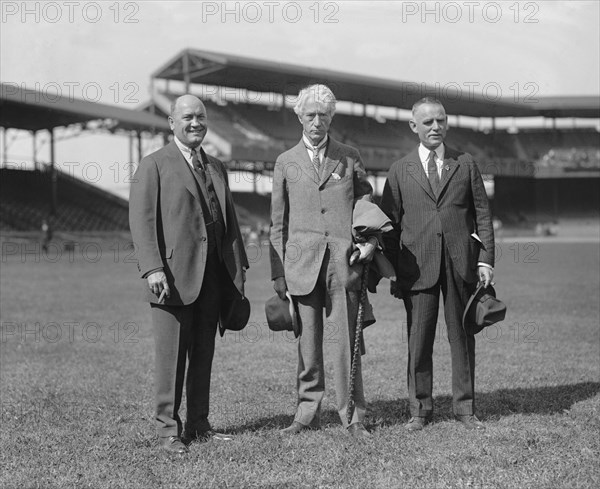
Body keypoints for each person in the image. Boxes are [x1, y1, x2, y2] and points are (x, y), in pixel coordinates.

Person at [129, 94, 249, 454]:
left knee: (203, 353)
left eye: (200, 116)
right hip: (172, 279)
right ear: (171, 122)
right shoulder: (154, 164)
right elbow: (141, 221)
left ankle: (199, 423)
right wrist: (152, 268)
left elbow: (229, 221)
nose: (195, 123)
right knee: (171, 357)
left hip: (213, 276)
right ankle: (168, 430)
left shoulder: (215, 165)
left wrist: (237, 268)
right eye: (187, 117)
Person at [379, 97, 495, 431]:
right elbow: (390, 225)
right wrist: (392, 270)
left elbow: (483, 214)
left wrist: (485, 259)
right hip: (416, 267)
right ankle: (419, 410)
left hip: (462, 263)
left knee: (462, 336)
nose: (436, 127)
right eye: (428, 122)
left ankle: (465, 408)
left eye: (441, 121)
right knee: (419, 340)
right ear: (413, 126)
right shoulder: (400, 170)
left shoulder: (466, 163)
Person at [269, 84, 377, 438]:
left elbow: (366, 205)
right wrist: (279, 279)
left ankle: (353, 416)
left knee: (347, 344)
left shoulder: (349, 156)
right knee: (308, 346)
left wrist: (369, 242)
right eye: (311, 114)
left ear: (332, 117)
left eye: (324, 115)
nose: (318, 121)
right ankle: (306, 413)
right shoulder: (285, 162)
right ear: (299, 116)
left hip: (344, 265)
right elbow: (277, 224)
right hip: (301, 267)